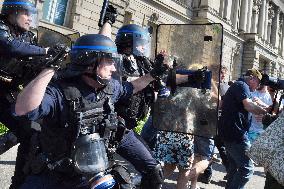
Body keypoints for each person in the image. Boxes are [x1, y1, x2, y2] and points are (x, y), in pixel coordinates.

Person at [13, 24, 170, 188]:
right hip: (56, 174)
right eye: (109, 61)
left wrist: (153, 75)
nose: (114, 68)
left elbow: (130, 88)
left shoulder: (109, 88)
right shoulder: (60, 92)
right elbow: (23, 109)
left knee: (154, 173)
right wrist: (49, 68)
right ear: (90, 63)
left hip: (93, 169)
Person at [0, 0, 48, 188]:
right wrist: (44, 51)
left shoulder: (29, 37)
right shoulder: (2, 28)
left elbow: (32, 62)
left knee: (28, 132)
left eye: (31, 14)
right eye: (26, 13)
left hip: (7, 91)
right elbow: (10, 47)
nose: (30, 19)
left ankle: (18, 184)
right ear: (11, 13)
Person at [113, 23, 166, 188]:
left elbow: (164, 80)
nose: (144, 47)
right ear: (130, 41)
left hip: (126, 129)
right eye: (141, 42)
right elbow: (124, 87)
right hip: (111, 125)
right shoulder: (115, 60)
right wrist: (152, 75)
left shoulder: (144, 63)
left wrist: (191, 78)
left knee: (155, 172)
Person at [219, 68, 268, 189]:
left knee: (234, 168)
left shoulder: (241, 86)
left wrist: (262, 106)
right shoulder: (242, 85)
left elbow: (251, 102)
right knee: (247, 169)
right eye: (258, 83)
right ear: (252, 78)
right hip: (236, 134)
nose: (258, 87)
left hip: (230, 133)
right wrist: (264, 113)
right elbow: (248, 105)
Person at [199, 66, 230, 184]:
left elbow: (222, 104)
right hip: (208, 119)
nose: (222, 75)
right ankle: (208, 174)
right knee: (210, 147)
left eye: (223, 73)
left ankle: (228, 171)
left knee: (216, 147)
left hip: (217, 120)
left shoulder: (224, 87)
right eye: (220, 73)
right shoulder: (211, 84)